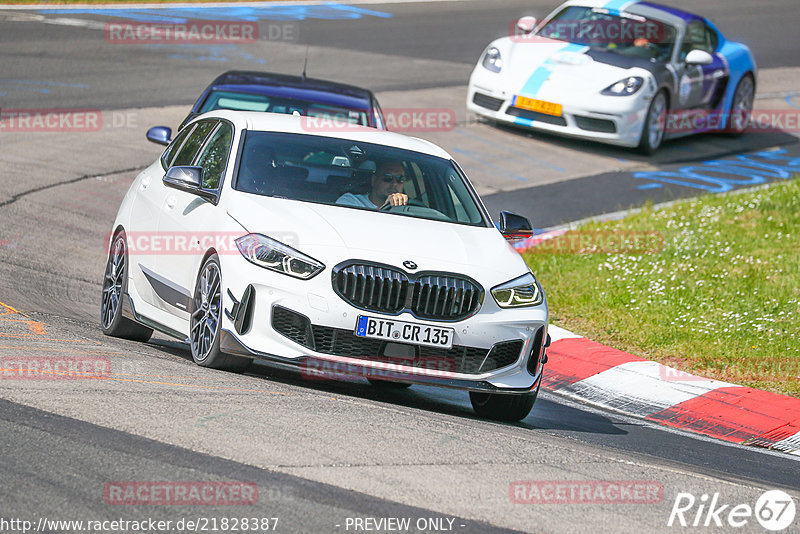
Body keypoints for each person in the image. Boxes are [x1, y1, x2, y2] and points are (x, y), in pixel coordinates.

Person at [336, 160, 409, 209]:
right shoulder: (350, 201)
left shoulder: (408, 208)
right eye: (388, 177)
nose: (394, 183)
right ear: (374, 180)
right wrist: (387, 207)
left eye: (400, 179)